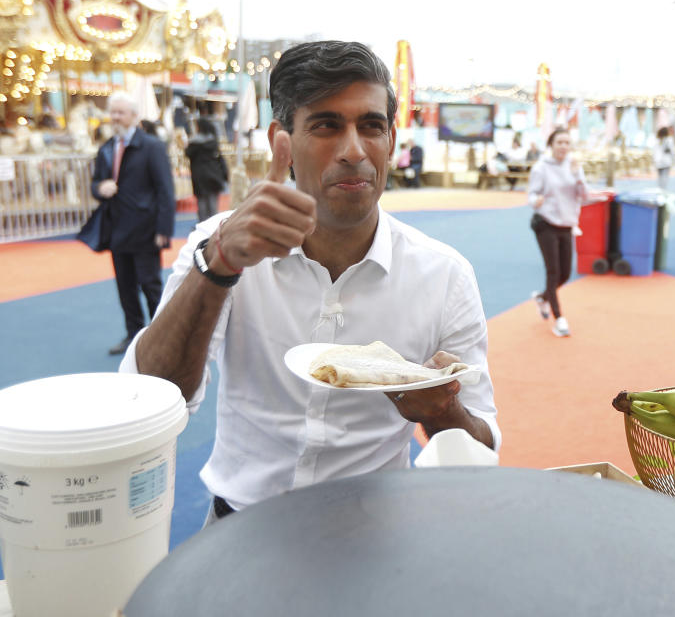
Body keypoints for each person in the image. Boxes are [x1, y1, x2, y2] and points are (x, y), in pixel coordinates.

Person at [119, 40, 500, 522]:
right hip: (241, 526)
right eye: (326, 126)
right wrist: (217, 266)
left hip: (376, 536)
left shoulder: (443, 275)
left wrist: (440, 409)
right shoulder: (221, 245)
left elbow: (483, 446)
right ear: (283, 140)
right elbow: (152, 398)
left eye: (371, 126)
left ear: (391, 140)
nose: (354, 151)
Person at [91, 92, 175, 355]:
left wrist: (163, 229)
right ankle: (133, 336)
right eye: (113, 112)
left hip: (145, 229)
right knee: (125, 288)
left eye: (121, 112)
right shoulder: (106, 148)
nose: (115, 117)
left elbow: (165, 190)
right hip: (116, 229)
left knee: (151, 286)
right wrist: (99, 188)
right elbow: (96, 184)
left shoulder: (151, 146)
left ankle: (161, 337)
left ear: (134, 116)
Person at [528, 127, 588, 338]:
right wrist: (536, 201)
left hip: (567, 223)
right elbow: (532, 195)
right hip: (546, 223)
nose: (563, 146)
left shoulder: (573, 166)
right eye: (559, 142)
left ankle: (543, 297)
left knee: (565, 273)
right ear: (551, 145)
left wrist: (577, 176)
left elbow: (584, 195)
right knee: (553, 271)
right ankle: (559, 318)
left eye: (566, 143)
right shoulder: (541, 168)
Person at [185, 117, 229, 223]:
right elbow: (220, 160)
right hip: (213, 176)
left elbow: (188, 154)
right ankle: (213, 228)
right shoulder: (213, 143)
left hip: (199, 176)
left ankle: (203, 229)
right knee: (213, 205)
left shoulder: (193, 144)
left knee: (202, 205)